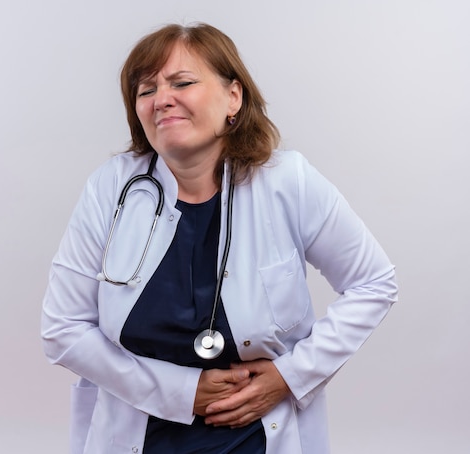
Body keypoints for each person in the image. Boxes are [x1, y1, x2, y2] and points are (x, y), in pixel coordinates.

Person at [41, 22, 397, 454]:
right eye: (145, 90)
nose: (161, 100)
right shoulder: (110, 188)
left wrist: (292, 375)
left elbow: (374, 282)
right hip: (138, 438)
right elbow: (64, 328)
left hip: (258, 437)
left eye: (182, 82)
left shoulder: (288, 182)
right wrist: (182, 391)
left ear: (234, 97)